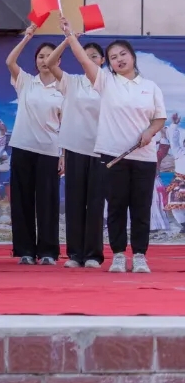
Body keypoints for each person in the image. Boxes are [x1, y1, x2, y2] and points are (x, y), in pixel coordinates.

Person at [60, 20, 167, 273]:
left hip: (144, 157)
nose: (119, 60)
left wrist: (149, 132)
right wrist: (70, 36)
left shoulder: (150, 87)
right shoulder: (106, 81)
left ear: (132, 56)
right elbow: (84, 60)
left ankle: (139, 255)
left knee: (140, 208)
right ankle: (118, 254)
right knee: (117, 207)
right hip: (113, 156)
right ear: (108, 63)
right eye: (113, 57)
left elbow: (159, 118)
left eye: (123, 54)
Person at [5, 24, 64, 265]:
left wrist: (63, 155)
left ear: (58, 60)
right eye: (41, 56)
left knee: (47, 203)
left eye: (50, 56)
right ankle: (25, 251)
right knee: (22, 201)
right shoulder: (26, 82)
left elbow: (66, 125)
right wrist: (27, 37)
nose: (45, 60)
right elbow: (10, 61)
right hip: (22, 148)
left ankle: (48, 251)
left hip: (49, 151)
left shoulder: (63, 88)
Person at [46, 35, 105, 269]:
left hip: (101, 149)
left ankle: (93, 255)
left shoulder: (109, 83)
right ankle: (75, 253)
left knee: (95, 203)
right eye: (85, 56)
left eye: (94, 57)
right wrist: (68, 39)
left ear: (102, 60)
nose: (88, 60)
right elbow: (50, 63)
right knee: (75, 201)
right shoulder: (72, 81)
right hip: (75, 147)